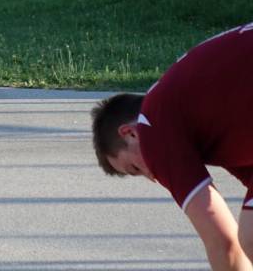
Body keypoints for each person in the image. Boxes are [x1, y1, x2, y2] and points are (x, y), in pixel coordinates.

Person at [91, 24, 253, 271]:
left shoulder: (152, 126)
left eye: (135, 168)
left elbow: (224, 243)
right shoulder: (214, 123)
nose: (152, 177)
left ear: (131, 133)